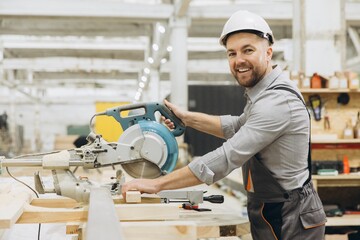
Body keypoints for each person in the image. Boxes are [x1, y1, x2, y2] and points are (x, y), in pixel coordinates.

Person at [122, 10, 326, 240]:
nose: (239, 60)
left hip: (291, 216)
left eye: (248, 50)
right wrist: (187, 118)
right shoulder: (261, 94)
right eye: (232, 53)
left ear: (268, 53)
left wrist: (157, 184)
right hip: (273, 208)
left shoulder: (277, 102)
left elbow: (228, 156)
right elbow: (236, 126)